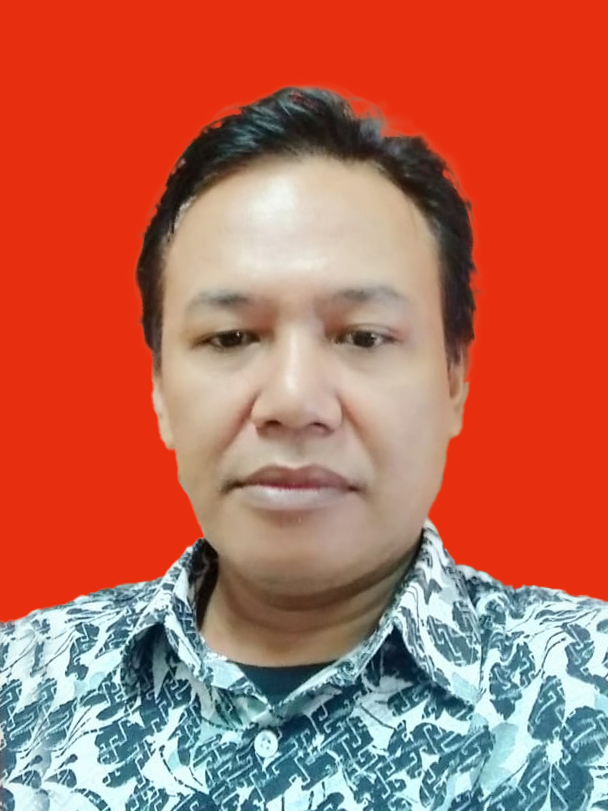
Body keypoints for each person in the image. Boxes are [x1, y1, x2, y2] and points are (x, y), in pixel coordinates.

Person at [1, 86, 607, 811]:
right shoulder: (22, 685)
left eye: (363, 337)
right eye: (230, 337)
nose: (293, 401)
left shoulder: (586, 687)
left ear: (454, 379)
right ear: (159, 387)